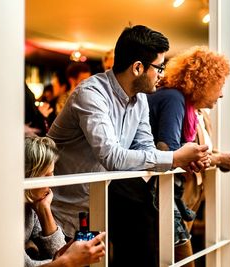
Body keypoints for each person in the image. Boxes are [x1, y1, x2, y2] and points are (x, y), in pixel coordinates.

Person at [47, 25, 210, 267]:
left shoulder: (140, 99)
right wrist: (174, 158)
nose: (162, 75)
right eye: (159, 67)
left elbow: (144, 146)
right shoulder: (91, 94)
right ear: (137, 67)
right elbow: (111, 156)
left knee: (141, 235)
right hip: (60, 210)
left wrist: (182, 157)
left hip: (98, 202)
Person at [147, 46, 230, 265]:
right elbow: (171, 154)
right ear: (203, 82)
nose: (221, 94)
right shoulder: (174, 100)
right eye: (219, 86)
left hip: (173, 195)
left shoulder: (190, 108)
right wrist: (216, 159)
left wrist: (215, 157)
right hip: (160, 197)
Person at [24, 136, 106, 267]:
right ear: (29, 175)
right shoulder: (4, 213)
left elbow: (57, 250)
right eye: (47, 175)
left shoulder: (32, 206)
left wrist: (44, 209)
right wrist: (68, 261)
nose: (52, 182)